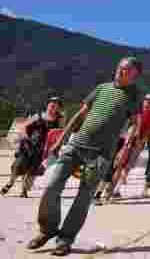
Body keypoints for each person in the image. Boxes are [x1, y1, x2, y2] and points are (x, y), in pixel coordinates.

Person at [30, 57, 143, 257]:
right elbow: (80, 115)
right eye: (120, 67)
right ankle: (47, 230)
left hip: (101, 153)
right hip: (76, 144)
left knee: (83, 198)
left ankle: (65, 240)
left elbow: (135, 124)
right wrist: (60, 139)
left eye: (126, 69)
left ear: (135, 75)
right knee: (51, 186)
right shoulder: (101, 88)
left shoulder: (134, 95)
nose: (120, 70)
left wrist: (125, 149)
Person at [3, 97, 63, 198]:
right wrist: (25, 135)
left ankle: (24, 191)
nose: (53, 105)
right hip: (29, 146)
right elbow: (24, 126)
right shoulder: (38, 116)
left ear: (58, 107)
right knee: (18, 165)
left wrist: (56, 147)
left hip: (42, 149)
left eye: (56, 104)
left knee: (32, 170)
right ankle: (10, 183)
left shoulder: (59, 119)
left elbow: (60, 133)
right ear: (47, 105)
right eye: (51, 103)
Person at [105, 93, 150, 200]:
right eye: (146, 99)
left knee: (128, 166)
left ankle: (117, 188)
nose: (148, 102)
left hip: (140, 141)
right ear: (143, 100)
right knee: (120, 163)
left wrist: (144, 140)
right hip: (129, 138)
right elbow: (128, 123)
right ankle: (109, 186)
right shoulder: (137, 110)